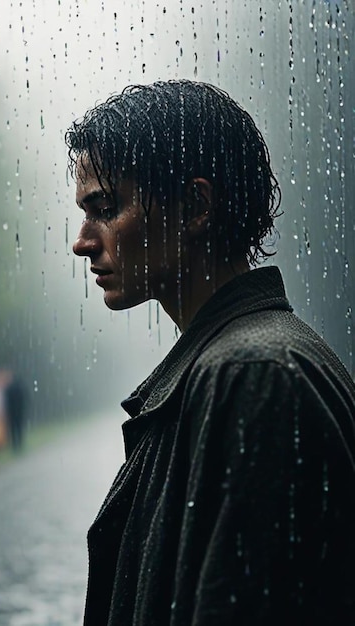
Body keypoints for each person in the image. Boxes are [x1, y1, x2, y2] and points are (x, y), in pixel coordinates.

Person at [65, 80, 355, 625]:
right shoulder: (241, 367)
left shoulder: (255, 378)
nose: (81, 240)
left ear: (195, 206)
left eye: (106, 207)